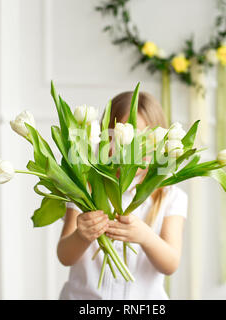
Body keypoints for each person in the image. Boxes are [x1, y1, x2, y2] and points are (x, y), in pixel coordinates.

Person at [57, 91, 188, 299]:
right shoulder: (84, 188)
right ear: (104, 137)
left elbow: (171, 263)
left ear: (161, 143)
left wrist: (145, 237)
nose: (132, 150)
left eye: (145, 140)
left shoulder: (170, 196)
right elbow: (65, 256)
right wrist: (82, 235)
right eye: (123, 139)